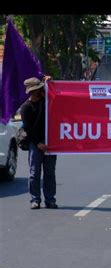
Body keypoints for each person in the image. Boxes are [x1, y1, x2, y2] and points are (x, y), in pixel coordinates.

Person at [21, 76, 58, 209]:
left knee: (49, 173)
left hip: (49, 143)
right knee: (34, 173)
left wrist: (50, 83)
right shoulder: (26, 108)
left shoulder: (47, 102)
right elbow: (27, 129)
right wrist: (38, 143)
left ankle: (50, 199)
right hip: (35, 144)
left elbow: (58, 97)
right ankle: (35, 199)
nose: (38, 91)